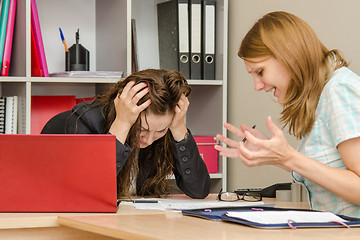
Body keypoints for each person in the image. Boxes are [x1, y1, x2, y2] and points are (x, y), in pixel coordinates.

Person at [215, 11, 360, 217]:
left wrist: (289, 158)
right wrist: (275, 156)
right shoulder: (321, 97)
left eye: (260, 72)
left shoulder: (340, 89)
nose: (257, 86)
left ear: (289, 55)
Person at [67, 69, 211, 199]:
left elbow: (199, 190)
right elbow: (88, 192)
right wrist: (122, 124)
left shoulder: (169, 125)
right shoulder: (85, 120)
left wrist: (179, 128)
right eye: (142, 130)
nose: (148, 140)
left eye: (160, 131)